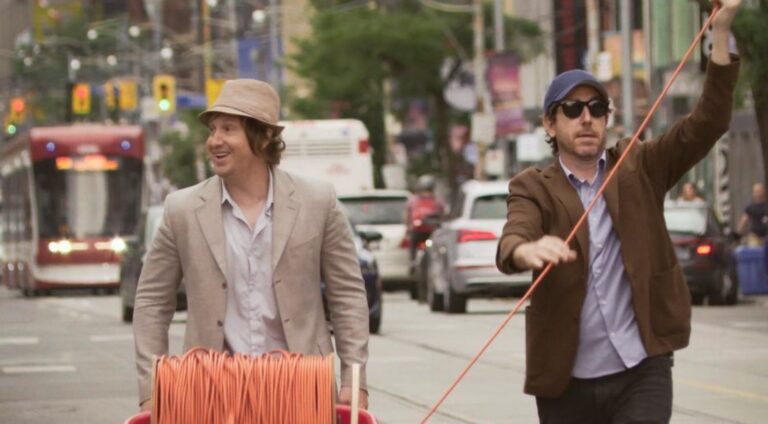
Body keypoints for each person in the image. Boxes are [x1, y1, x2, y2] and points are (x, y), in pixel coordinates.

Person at [495, 1, 741, 422]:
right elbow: (513, 237)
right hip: (565, 381)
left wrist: (719, 32)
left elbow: (709, 122)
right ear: (550, 124)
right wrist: (526, 251)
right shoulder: (532, 186)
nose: (586, 118)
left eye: (597, 108)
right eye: (572, 109)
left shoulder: (639, 165)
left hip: (641, 368)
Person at [133, 79, 370, 411]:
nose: (214, 140)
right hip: (213, 394)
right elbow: (151, 302)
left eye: (228, 129)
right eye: (212, 130)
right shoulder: (181, 210)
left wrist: (353, 380)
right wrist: (151, 390)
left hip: (302, 390)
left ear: (263, 136)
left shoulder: (318, 201)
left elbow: (347, 295)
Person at [404, 175, 445, 266]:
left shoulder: (437, 201)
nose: (426, 193)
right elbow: (407, 215)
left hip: (432, 231)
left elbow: (443, 214)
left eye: (428, 190)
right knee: (413, 243)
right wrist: (408, 228)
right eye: (425, 190)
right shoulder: (413, 200)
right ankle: (412, 261)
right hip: (418, 230)